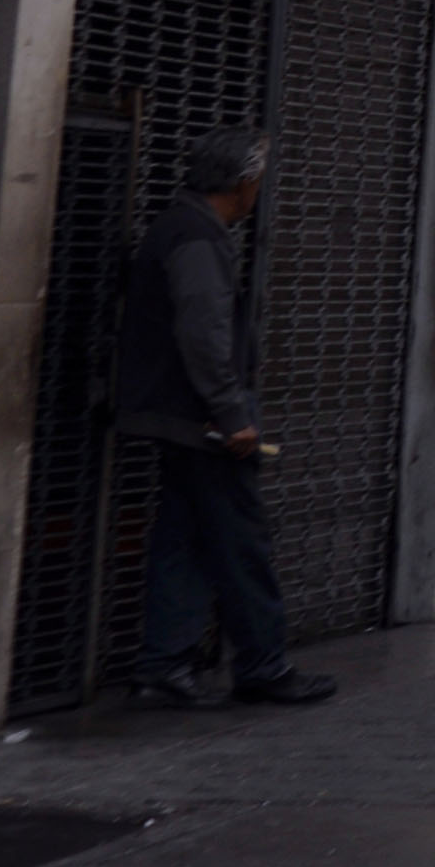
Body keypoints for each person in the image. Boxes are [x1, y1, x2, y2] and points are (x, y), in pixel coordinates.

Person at [114, 133, 335, 709]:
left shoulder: (180, 229)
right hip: (202, 421)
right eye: (257, 181)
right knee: (240, 540)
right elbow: (203, 332)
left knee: (183, 538)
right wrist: (232, 413)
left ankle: (164, 665)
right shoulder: (196, 238)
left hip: (180, 415)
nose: (259, 191)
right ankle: (262, 664)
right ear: (242, 184)